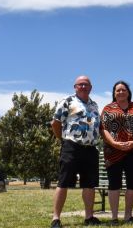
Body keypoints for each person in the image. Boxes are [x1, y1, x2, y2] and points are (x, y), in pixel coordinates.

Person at [51, 75, 101, 228]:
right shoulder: (67, 101)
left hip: (91, 149)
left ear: (91, 87)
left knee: (89, 184)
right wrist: (63, 139)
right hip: (71, 147)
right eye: (80, 84)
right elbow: (55, 123)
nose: (83, 87)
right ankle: (56, 218)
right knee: (63, 182)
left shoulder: (94, 105)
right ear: (75, 87)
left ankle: (89, 216)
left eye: (86, 84)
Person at [100, 81, 133, 225]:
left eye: (123, 90)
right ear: (114, 93)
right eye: (118, 90)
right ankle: (114, 217)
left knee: (132, 184)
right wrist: (114, 143)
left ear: (128, 92)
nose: (120, 92)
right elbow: (103, 129)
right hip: (113, 152)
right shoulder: (107, 108)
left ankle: (128, 215)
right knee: (114, 184)